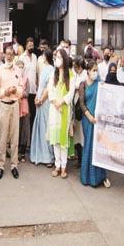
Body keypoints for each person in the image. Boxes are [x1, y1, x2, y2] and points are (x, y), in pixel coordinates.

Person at [79, 61, 110, 188]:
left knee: (97, 147)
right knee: (88, 145)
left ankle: (99, 177)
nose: (95, 72)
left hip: (98, 120)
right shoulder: (83, 85)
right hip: (87, 119)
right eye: (93, 70)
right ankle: (87, 177)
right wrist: (89, 116)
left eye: (96, 70)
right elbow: (81, 103)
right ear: (88, 71)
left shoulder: (100, 84)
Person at [0, 46, 24, 180]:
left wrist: (15, 91)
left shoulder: (18, 69)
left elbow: (21, 88)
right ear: (4, 55)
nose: (9, 56)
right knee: (3, 137)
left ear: (14, 55)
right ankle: (1, 165)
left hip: (15, 105)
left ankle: (14, 165)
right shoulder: (0, 69)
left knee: (14, 136)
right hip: (4, 105)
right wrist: (5, 92)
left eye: (11, 54)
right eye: (7, 54)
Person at [48, 49, 75, 179]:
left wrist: (61, 102)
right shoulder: (54, 76)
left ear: (64, 59)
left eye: (58, 57)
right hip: (54, 110)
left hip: (64, 110)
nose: (56, 60)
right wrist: (55, 103)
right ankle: (57, 166)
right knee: (55, 140)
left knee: (63, 141)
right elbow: (50, 91)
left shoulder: (71, 75)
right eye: (55, 57)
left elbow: (71, 93)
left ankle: (63, 167)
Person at [30, 49, 55, 166]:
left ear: (46, 57)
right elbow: (40, 86)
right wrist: (37, 97)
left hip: (45, 102)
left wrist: (41, 99)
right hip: (40, 101)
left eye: (44, 55)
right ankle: (39, 154)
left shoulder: (51, 70)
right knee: (41, 126)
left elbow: (48, 88)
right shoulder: (45, 69)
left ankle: (48, 157)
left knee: (45, 128)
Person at [20, 37, 38, 144]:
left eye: (32, 45)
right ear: (26, 45)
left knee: (33, 116)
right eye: (29, 45)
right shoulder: (22, 58)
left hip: (34, 91)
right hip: (25, 92)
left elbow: (36, 73)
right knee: (25, 117)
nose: (31, 47)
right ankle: (24, 141)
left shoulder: (35, 57)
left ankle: (32, 140)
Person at [16, 59, 30, 163]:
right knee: (16, 129)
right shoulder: (14, 78)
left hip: (24, 106)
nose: (20, 69)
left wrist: (22, 94)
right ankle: (15, 152)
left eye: (22, 67)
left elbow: (27, 92)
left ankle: (22, 152)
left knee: (24, 129)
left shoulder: (26, 79)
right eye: (19, 67)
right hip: (16, 105)